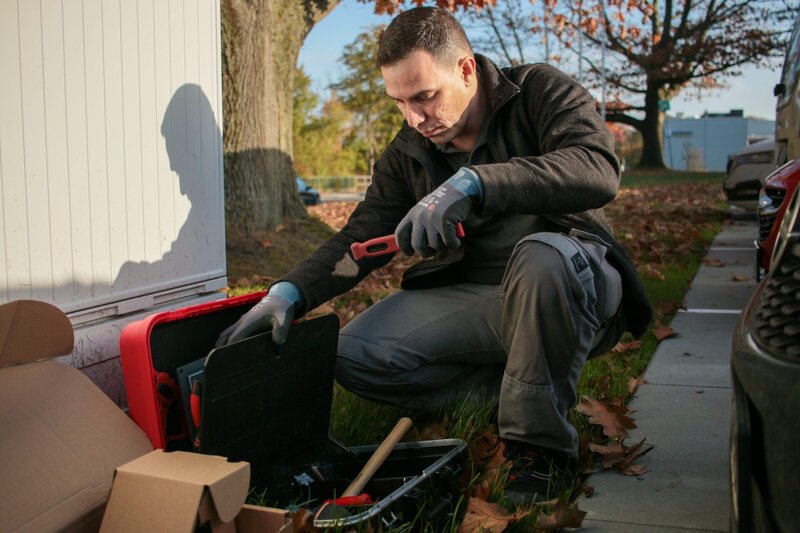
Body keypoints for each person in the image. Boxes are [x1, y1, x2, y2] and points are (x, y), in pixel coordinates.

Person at [217, 6, 652, 503]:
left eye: (425, 96)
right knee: (350, 355)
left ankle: (539, 449)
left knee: (541, 257)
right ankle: (514, 391)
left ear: (466, 69)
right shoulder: (408, 152)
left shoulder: (538, 91)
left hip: (570, 282)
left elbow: (597, 167)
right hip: (478, 299)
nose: (414, 117)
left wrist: (476, 182)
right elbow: (355, 240)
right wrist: (289, 292)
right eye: (399, 101)